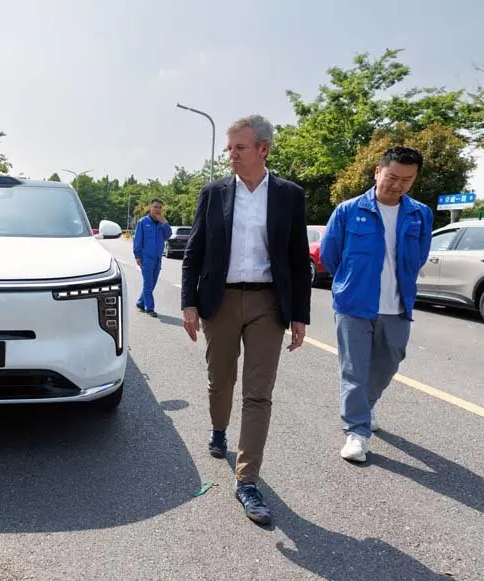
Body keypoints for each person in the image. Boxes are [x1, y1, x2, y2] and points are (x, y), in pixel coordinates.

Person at [181, 115, 312, 525]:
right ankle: (218, 429)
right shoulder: (214, 192)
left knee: (258, 393)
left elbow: (296, 257)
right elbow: (195, 251)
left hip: (267, 304)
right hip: (219, 302)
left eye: (239, 147)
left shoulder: (289, 195)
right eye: (229, 148)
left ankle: (247, 481)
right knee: (221, 380)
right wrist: (189, 303)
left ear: (263, 150)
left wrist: (299, 315)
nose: (230, 155)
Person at [318, 146, 433, 463]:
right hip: (354, 303)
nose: (397, 185)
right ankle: (356, 432)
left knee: (389, 362)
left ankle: (365, 406)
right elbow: (330, 256)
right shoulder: (348, 210)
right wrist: (355, 279)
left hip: (397, 306)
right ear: (377, 173)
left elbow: (419, 256)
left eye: (407, 180)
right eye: (392, 177)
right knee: (354, 370)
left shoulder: (420, 214)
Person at [133, 198, 173, 317]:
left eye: (159, 207)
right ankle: (149, 308)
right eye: (155, 207)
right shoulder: (143, 222)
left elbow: (168, 235)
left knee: (153, 283)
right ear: (150, 208)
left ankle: (140, 302)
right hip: (146, 258)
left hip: (158, 258)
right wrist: (137, 256)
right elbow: (138, 241)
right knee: (148, 283)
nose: (157, 209)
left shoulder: (162, 223)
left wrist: (165, 223)